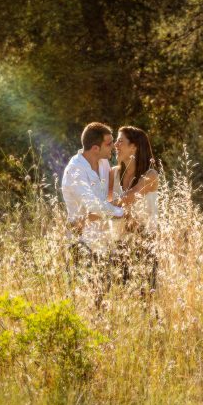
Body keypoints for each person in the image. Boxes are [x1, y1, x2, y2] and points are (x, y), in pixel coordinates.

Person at [61, 122, 125, 308]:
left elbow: (106, 201)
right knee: (88, 299)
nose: (113, 146)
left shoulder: (104, 163)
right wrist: (120, 212)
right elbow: (93, 206)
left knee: (105, 297)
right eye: (109, 143)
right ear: (95, 148)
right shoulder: (75, 170)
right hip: (82, 242)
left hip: (104, 241)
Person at [108, 125, 159, 293]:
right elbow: (108, 205)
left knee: (145, 298)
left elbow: (130, 197)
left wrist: (108, 207)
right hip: (118, 244)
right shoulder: (113, 173)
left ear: (134, 147)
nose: (115, 145)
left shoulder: (150, 175)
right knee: (120, 297)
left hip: (145, 244)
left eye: (120, 141)